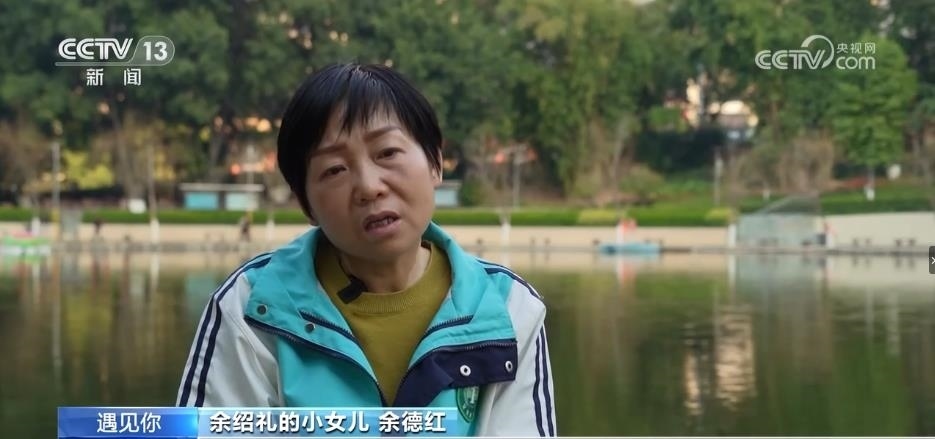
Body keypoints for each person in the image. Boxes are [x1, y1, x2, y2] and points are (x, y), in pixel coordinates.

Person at [176, 63, 556, 436]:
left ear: (435, 163)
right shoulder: (251, 309)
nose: (369, 187)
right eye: (334, 170)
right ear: (307, 204)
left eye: (387, 152)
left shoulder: (507, 308)